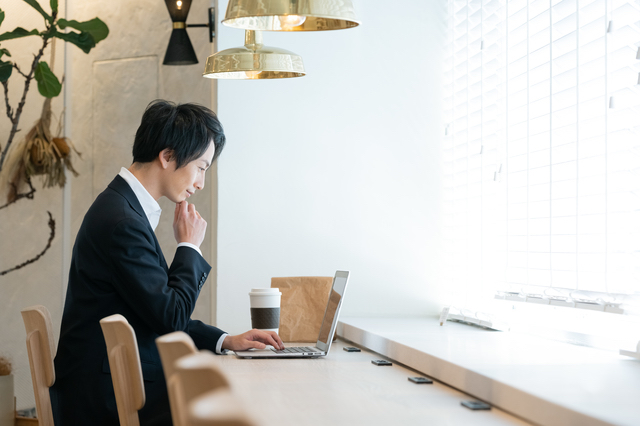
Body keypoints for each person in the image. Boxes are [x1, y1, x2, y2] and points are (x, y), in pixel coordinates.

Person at [50, 100, 284, 426]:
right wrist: (189, 246)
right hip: (104, 397)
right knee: (232, 405)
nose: (201, 182)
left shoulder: (122, 208)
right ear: (167, 156)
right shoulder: (123, 221)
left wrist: (224, 340)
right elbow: (171, 317)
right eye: (201, 167)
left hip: (103, 384)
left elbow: (155, 311)